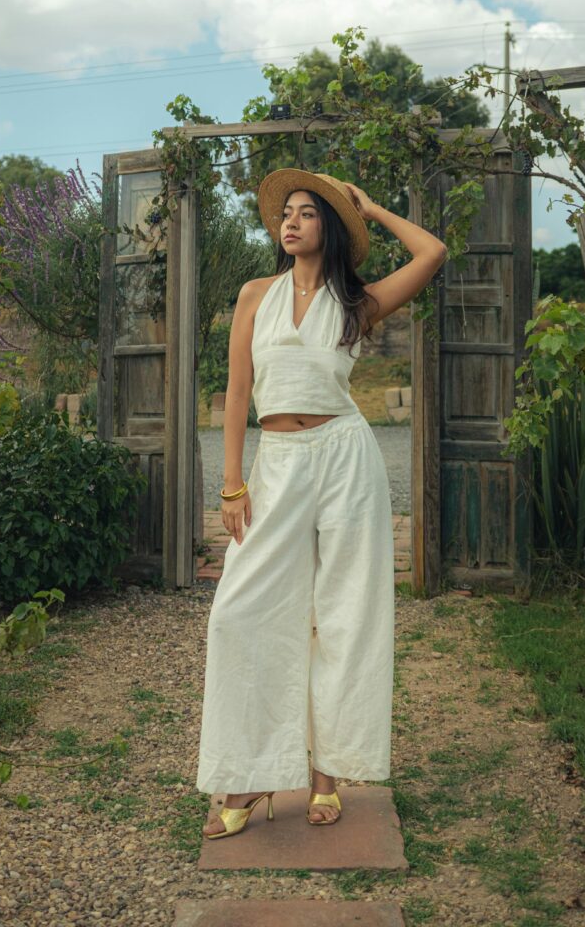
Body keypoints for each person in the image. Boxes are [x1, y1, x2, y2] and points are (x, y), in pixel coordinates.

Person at [196, 167, 447, 839]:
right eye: (287, 213)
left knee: (341, 614)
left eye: (308, 213)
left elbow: (431, 254)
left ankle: (326, 776)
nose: (291, 220)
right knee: (240, 613)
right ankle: (248, 778)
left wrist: (372, 206)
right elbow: (238, 393)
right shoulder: (255, 294)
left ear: (328, 229)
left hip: (344, 459)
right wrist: (230, 481)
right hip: (275, 463)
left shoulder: (357, 302)